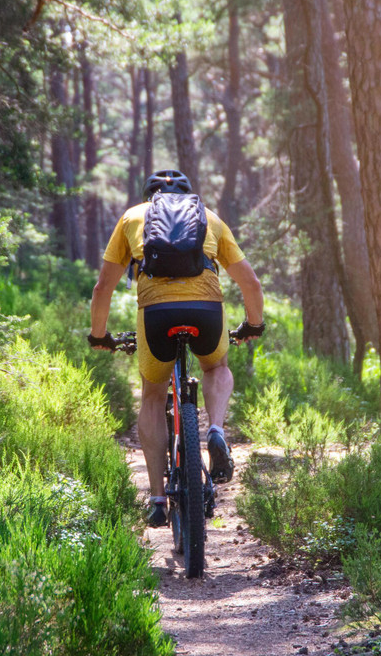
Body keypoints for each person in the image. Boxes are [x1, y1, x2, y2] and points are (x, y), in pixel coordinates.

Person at [88, 170, 265, 527]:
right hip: (206, 312)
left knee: (153, 395)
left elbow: (101, 289)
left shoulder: (132, 217)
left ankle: (157, 499)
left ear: (148, 195)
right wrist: (253, 325)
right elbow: (251, 283)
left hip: (156, 315)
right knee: (216, 368)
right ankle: (215, 429)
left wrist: (99, 336)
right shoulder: (210, 218)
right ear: (189, 196)